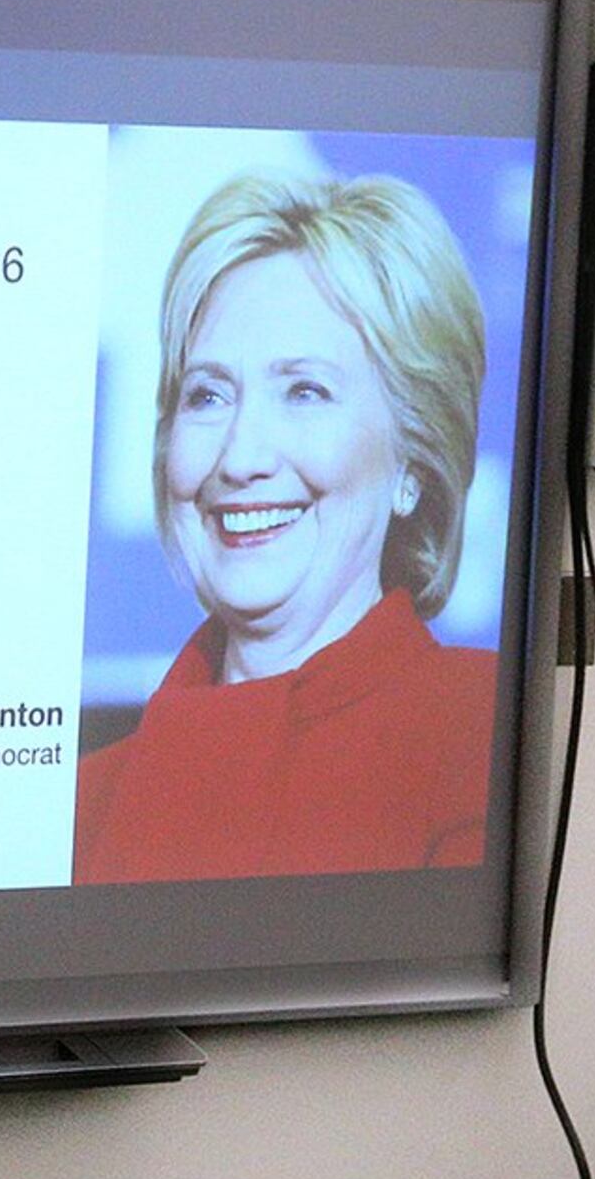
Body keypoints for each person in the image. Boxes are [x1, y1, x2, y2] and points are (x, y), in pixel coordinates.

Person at [74, 170, 498, 883]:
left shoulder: (480, 739)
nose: (240, 458)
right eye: (207, 394)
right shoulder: (85, 799)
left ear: (413, 460)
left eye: (305, 391)